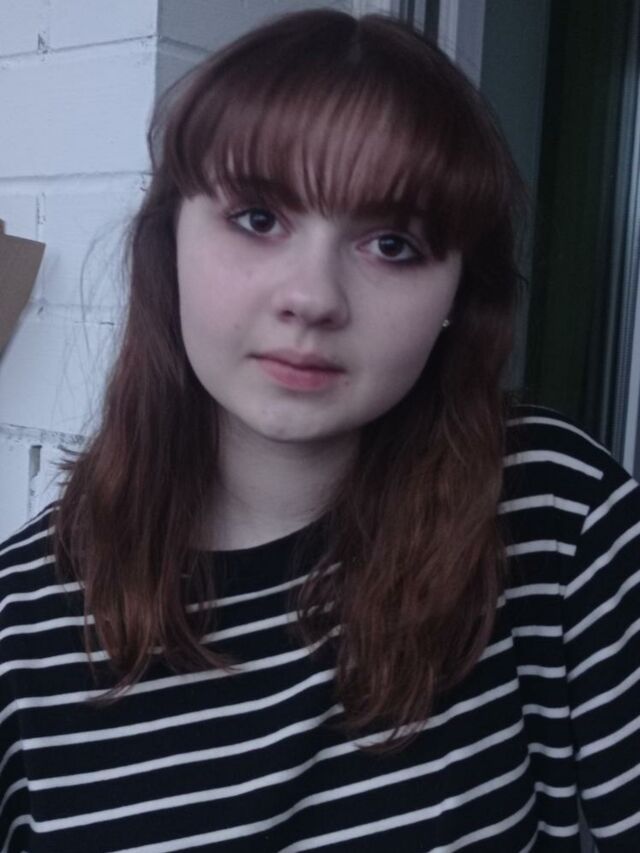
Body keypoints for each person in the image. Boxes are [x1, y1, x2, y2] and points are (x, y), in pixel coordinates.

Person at [0, 8, 638, 852]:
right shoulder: (18, 624)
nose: (313, 297)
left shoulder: (553, 514)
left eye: (392, 243)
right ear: (169, 244)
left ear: (458, 296)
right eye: (259, 218)